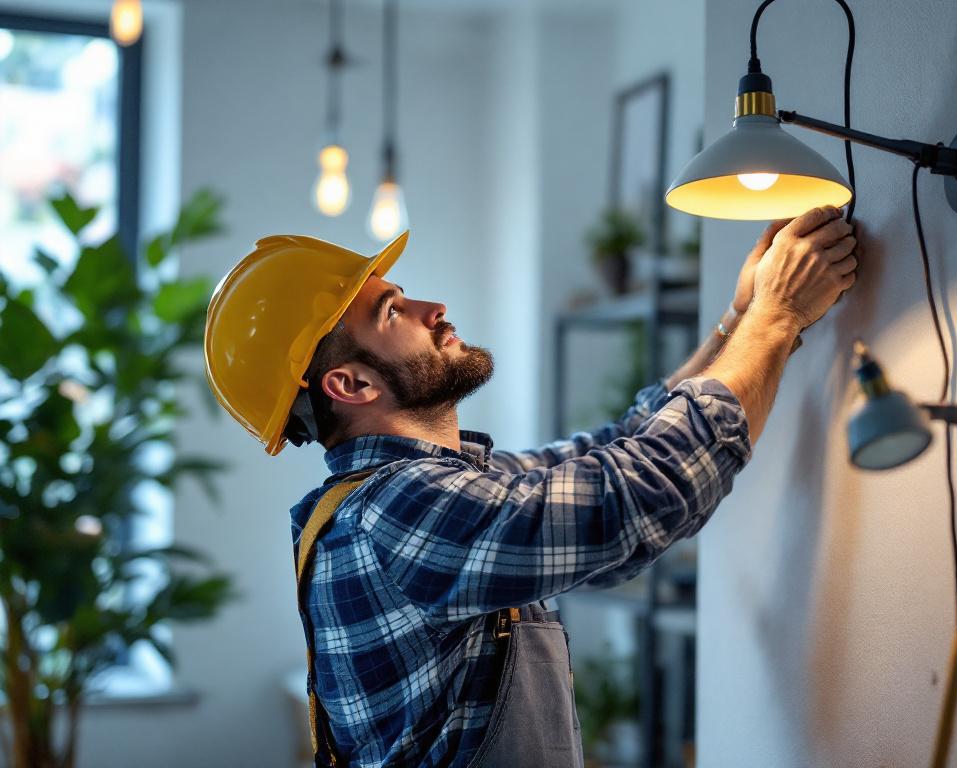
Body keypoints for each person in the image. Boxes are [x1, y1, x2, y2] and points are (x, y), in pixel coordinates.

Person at [202, 205, 857, 767]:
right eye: (394, 310)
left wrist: (737, 322)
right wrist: (775, 320)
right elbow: (633, 498)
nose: (435, 309)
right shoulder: (398, 513)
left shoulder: (436, 490)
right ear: (351, 385)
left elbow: (619, 445)